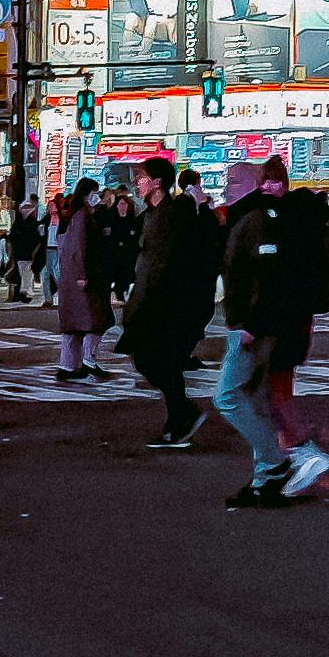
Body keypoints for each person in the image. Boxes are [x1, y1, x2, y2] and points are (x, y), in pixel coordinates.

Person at [217, 160, 329, 506]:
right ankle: (265, 479)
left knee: (230, 397)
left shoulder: (262, 220)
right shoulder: (254, 217)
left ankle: (280, 460)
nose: (227, 185)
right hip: (270, 324)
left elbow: (267, 277)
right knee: (259, 397)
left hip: (261, 326)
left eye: (233, 180)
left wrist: (248, 324)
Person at [117, 157, 218, 447]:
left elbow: (171, 262)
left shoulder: (175, 213)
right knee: (153, 359)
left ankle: (181, 417)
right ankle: (181, 416)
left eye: (143, 177)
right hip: (154, 301)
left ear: (158, 182)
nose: (138, 182)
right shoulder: (151, 214)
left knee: (157, 358)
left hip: (171, 304)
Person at [53, 179, 113, 382]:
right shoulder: (81, 215)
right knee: (94, 320)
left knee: (75, 324)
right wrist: (81, 274)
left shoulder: (77, 213)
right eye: (95, 192)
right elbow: (79, 246)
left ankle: (69, 365)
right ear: (88, 193)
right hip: (82, 277)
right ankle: (85, 361)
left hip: (74, 276)